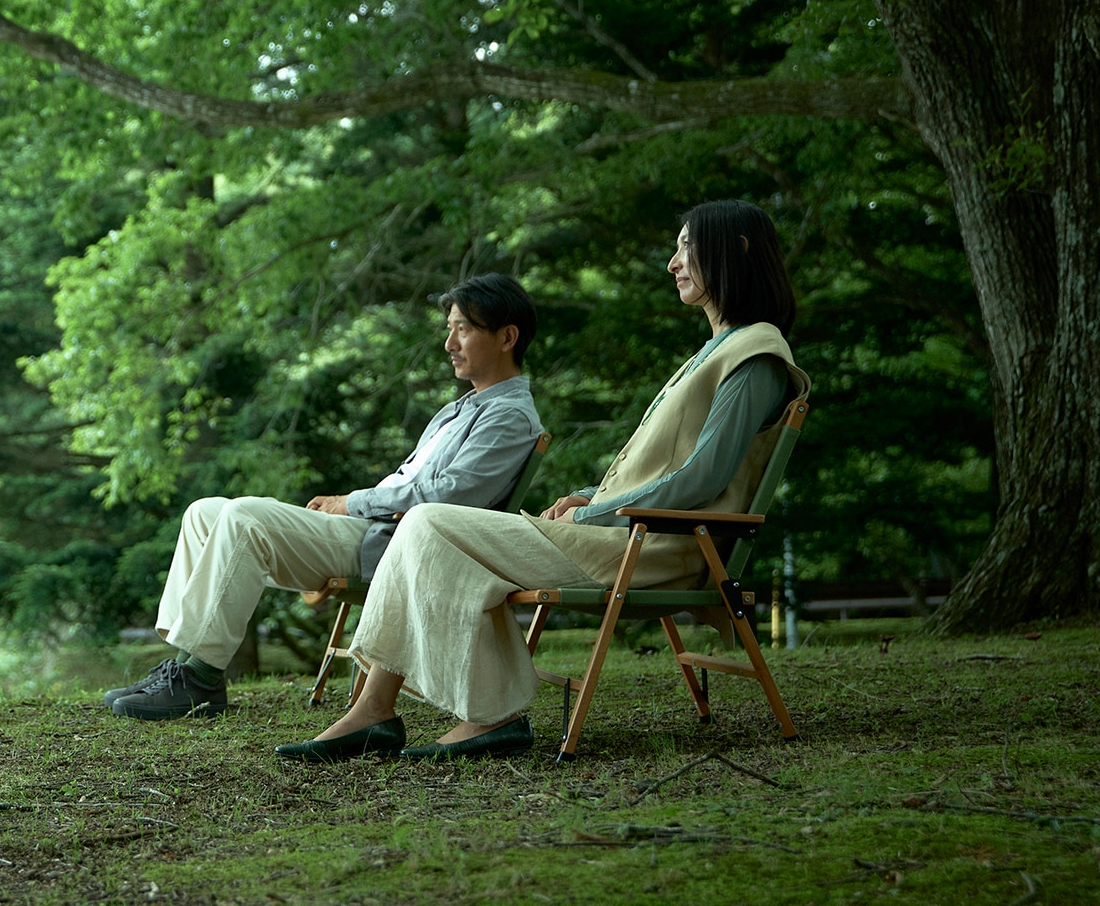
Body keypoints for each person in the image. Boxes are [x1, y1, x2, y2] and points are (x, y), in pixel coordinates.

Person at [273, 199, 811, 762]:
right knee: (427, 528)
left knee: (429, 521)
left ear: (736, 250)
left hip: (653, 548)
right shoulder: (718, 349)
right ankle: (398, 713)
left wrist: (593, 513)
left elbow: (702, 478)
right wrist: (590, 496)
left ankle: (447, 715)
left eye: (687, 247)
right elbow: (667, 467)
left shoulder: (755, 354)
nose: (674, 263)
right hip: (622, 535)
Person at [106, 273, 545, 720]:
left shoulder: (508, 416)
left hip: (394, 547)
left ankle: (199, 678)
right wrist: (350, 506)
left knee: (243, 518)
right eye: (449, 329)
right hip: (371, 526)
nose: (449, 343)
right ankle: (186, 667)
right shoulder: (460, 409)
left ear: (507, 337)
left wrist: (350, 503)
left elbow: (451, 495)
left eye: (463, 329)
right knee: (204, 512)